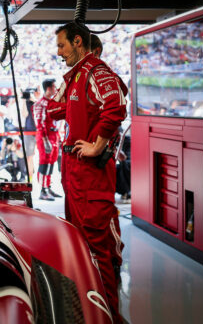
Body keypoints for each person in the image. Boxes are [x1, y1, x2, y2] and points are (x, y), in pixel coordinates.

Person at [47, 22, 128, 323]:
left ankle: (109, 317)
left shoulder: (96, 70)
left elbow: (116, 106)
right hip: (73, 172)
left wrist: (97, 145)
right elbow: (54, 111)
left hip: (91, 172)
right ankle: (89, 311)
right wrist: (66, 81)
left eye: (62, 46)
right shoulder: (77, 75)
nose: (58, 53)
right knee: (80, 245)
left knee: (97, 249)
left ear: (77, 41)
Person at [33, 79, 62, 201]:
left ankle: (47, 187)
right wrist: (45, 140)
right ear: (49, 88)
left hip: (54, 135)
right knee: (45, 162)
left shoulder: (52, 102)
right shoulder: (40, 104)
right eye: (54, 87)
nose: (56, 90)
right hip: (45, 136)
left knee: (52, 162)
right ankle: (43, 190)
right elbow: (39, 123)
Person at [22, 86, 40, 182]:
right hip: (29, 130)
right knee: (29, 156)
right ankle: (30, 179)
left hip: (40, 131)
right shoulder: (26, 103)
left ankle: (42, 179)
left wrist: (34, 99)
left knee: (42, 156)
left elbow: (42, 107)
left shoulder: (38, 101)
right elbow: (24, 114)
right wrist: (25, 100)